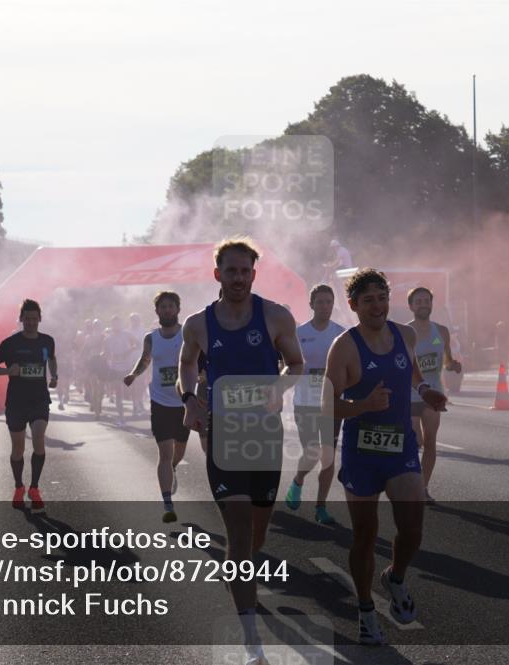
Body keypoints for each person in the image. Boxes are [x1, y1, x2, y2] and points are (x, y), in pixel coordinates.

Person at [178, 237, 303, 665]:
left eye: (244, 271)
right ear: (217, 274)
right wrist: (191, 399)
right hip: (223, 438)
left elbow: (297, 365)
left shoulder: (275, 315)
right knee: (239, 532)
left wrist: (279, 389)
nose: (237, 278)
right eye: (230, 271)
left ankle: (242, 575)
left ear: (254, 273)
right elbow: (187, 364)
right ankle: (252, 641)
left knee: (256, 537)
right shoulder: (198, 323)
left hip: (265, 437)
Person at [322, 268, 446, 646]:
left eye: (381, 297)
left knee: (412, 528)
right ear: (354, 306)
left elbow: (410, 370)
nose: (377, 306)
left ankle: (394, 576)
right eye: (368, 300)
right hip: (362, 453)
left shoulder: (404, 334)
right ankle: (364, 611)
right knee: (365, 534)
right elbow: (327, 407)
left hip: (401, 446)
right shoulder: (344, 346)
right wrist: (362, 405)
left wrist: (425, 390)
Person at [124, 292, 191, 523]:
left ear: (177, 309)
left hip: (184, 401)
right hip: (160, 401)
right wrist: (134, 374)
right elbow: (145, 360)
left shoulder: (187, 334)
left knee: (178, 452)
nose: (167, 310)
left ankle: (172, 469)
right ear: (157, 311)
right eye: (163, 307)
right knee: (165, 452)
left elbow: (199, 359)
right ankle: (167, 503)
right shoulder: (151, 338)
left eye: (171, 306)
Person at [0, 299, 58, 513]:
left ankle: (34, 488)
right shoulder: (10, 343)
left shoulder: (47, 341)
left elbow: (52, 359)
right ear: (21, 320)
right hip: (16, 402)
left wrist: (54, 375)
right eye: (27, 319)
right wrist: (8, 371)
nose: (31, 323)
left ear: (40, 319)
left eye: (35, 319)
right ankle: (19, 487)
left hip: (39, 399)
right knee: (18, 448)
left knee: (38, 439)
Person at [284, 284, 345, 525]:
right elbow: (290, 364)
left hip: (331, 403)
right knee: (311, 451)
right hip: (305, 402)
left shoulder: (341, 334)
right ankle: (298, 480)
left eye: (329, 302)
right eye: (320, 302)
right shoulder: (299, 333)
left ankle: (321, 506)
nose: (324, 306)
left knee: (328, 455)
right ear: (311, 305)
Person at [406, 287, 461, 503]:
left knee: (430, 443)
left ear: (431, 304)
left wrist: (453, 365)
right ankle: (409, 482)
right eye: (418, 301)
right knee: (415, 440)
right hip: (410, 395)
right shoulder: (406, 332)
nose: (423, 304)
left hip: (434, 394)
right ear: (411, 306)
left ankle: (423, 488)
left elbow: (447, 360)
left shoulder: (442, 332)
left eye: (426, 300)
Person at [103, 316, 138, 426]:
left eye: (118, 323)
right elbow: (106, 353)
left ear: (121, 324)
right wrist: (107, 357)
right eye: (114, 324)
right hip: (115, 368)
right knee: (118, 392)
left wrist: (128, 352)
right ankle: (121, 417)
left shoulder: (127, 334)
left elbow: (138, 344)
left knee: (130, 390)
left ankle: (135, 406)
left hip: (126, 367)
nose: (116, 326)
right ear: (112, 325)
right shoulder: (108, 338)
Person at [127, 312, 147, 417]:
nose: (134, 322)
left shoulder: (143, 331)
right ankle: (135, 404)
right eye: (132, 320)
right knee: (134, 384)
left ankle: (139, 402)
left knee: (141, 384)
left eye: (136, 319)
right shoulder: (128, 332)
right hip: (131, 362)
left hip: (142, 361)